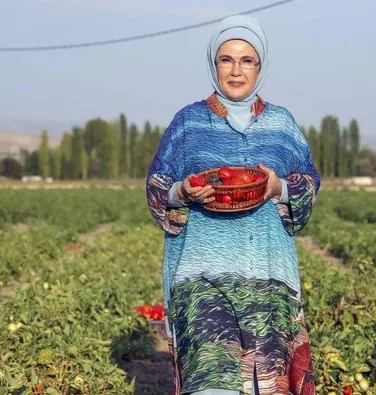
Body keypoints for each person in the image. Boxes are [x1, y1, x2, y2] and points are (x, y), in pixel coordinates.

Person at [145, 14, 320, 395]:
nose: (236, 71)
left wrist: (278, 187)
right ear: (214, 65)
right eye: (226, 59)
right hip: (201, 274)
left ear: (261, 66)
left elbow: (309, 181)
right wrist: (183, 193)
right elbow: (157, 186)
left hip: (268, 275)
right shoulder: (188, 122)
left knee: (266, 381)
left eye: (247, 60)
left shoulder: (281, 124)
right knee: (212, 382)